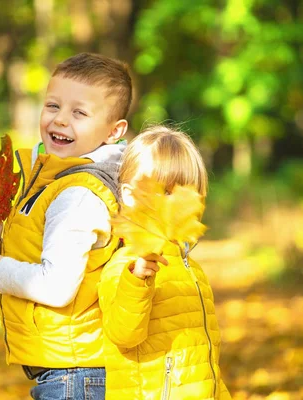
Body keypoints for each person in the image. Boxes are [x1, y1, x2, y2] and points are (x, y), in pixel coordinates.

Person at [0, 52, 132, 399]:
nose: (61, 120)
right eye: (53, 106)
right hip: (70, 367)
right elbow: (50, 251)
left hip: (76, 372)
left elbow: (56, 286)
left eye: (79, 112)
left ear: (114, 131)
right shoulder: (55, 181)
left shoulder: (78, 194)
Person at [98, 126, 232, 400]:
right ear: (131, 195)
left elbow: (205, 362)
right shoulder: (126, 266)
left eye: (189, 191)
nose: (181, 202)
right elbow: (123, 334)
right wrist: (136, 283)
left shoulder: (191, 269)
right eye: (168, 190)